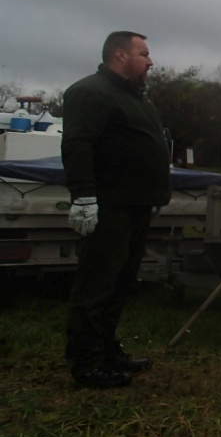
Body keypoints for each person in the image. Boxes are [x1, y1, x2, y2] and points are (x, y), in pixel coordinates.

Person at [61, 31, 172, 389]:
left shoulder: (137, 99)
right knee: (96, 286)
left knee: (120, 284)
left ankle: (107, 351)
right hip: (109, 208)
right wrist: (83, 197)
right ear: (120, 55)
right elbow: (78, 145)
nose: (150, 61)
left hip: (135, 207)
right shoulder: (90, 92)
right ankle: (87, 363)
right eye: (144, 54)